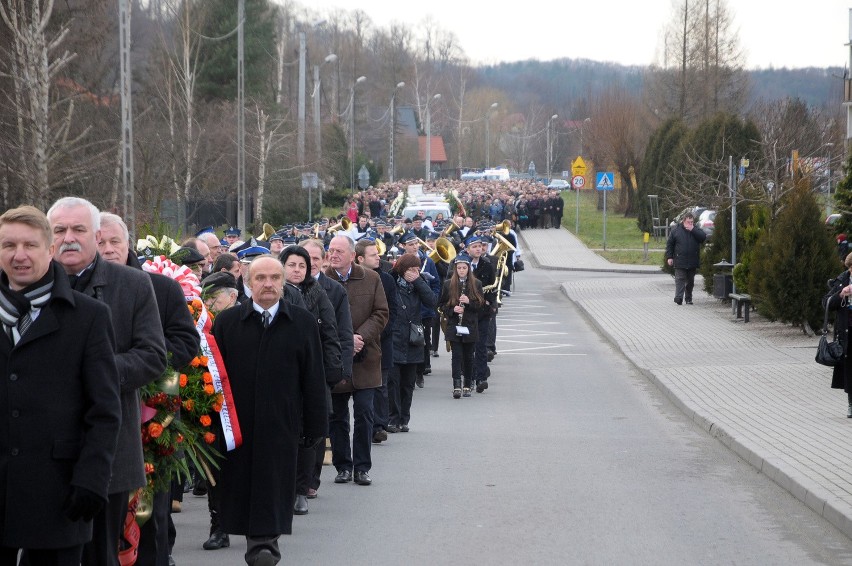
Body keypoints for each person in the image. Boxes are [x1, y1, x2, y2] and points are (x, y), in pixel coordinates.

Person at [48, 197, 167, 566]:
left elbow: (153, 356)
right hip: (43, 452)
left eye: (79, 230)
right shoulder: (27, 284)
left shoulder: (132, 284)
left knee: (102, 554)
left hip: (111, 448)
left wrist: (94, 371)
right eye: (60, 230)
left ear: (96, 236)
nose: (69, 238)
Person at [0, 206, 121, 565]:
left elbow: (104, 410)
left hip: (59, 489)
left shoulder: (88, 317)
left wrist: (92, 479)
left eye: (30, 245)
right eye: (8, 245)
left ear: (50, 250)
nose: (19, 255)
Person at [98, 212, 200, 566]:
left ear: (129, 243)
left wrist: (151, 364)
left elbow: (186, 342)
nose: (108, 249)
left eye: (115, 241)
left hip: (151, 416)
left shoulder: (159, 287)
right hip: (96, 422)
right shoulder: (73, 289)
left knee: (149, 510)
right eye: (100, 242)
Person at [212, 256, 327, 566]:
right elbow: (214, 380)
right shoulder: (228, 323)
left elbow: (314, 377)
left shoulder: (301, 322)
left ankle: (266, 546)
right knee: (244, 484)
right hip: (239, 424)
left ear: (283, 282)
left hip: (282, 422)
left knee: (275, 484)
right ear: (248, 284)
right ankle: (256, 542)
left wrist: (316, 426)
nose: (268, 284)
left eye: (274, 278)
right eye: (260, 278)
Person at [279, 246, 342, 516]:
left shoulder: (320, 296)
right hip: (280, 375)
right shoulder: (271, 293)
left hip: (310, 375)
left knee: (307, 434)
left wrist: (331, 372)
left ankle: (301, 490)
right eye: (291, 265)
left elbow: (331, 335)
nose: (296, 270)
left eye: (301, 266)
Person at [324, 235, 388, 486]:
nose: (334, 255)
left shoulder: (371, 278)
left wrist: (359, 337)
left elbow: (381, 313)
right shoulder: (323, 281)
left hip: (366, 358)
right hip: (336, 359)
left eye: (339, 251)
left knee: (364, 414)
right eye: (331, 250)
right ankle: (343, 466)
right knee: (338, 416)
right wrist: (344, 341)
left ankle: (362, 467)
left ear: (352, 255)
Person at [299, 239, 353, 498]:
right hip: (294, 368)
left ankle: (311, 480)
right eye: (302, 260)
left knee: (318, 424)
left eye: (314, 259)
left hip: (320, 369)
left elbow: (341, 333)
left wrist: (340, 370)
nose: (308, 265)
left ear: (322, 260)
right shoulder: (283, 288)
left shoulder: (333, 290)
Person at [353, 239, 397, 444]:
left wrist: (376, 334)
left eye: (377, 254)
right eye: (373, 254)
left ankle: (379, 426)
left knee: (380, 386)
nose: (378, 257)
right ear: (360, 258)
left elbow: (390, 312)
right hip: (354, 343)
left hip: (380, 340)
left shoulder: (387, 280)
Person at [387, 253, 436, 431]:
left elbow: (432, 301)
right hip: (394, 336)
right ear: (402, 269)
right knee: (393, 382)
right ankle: (392, 418)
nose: (415, 272)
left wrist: (418, 281)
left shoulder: (419, 282)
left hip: (413, 338)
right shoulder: (390, 280)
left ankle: (404, 419)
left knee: (408, 384)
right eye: (411, 269)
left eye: (417, 269)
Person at [438, 253, 483, 398]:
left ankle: (468, 384)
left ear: (469, 269)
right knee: (456, 356)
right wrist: (452, 309)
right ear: (455, 269)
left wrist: (469, 303)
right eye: (459, 268)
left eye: (464, 268)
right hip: (454, 325)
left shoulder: (476, 284)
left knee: (469, 356)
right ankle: (456, 385)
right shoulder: (448, 284)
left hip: (470, 325)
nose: (461, 270)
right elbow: (441, 305)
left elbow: (480, 305)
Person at [825, 253, 852, 417]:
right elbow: (826, 303)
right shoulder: (842, 280)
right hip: (848, 331)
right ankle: (851, 404)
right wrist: (841, 294)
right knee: (850, 370)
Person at [665, 212, 706, 305]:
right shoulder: (676, 230)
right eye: (688, 222)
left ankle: (688, 298)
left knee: (690, 281)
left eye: (692, 222)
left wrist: (693, 230)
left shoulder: (695, 229)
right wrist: (669, 257)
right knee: (680, 279)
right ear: (684, 221)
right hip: (680, 259)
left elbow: (703, 237)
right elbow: (669, 244)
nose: (690, 224)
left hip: (692, 260)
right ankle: (678, 298)